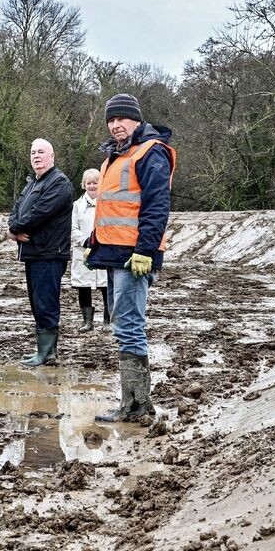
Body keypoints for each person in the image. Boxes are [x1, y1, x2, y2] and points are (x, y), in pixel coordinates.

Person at [87, 93, 174, 423]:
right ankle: (135, 402)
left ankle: (136, 405)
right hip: (113, 254)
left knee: (129, 327)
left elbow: (156, 207)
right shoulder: (113, 157)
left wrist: (145, 250)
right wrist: (92, 241)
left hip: (133, 257)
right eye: (110, 120)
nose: (115, 124)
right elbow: (114, 207)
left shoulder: (150, 153)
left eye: (121, 118)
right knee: (123, 325)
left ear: (137, 120)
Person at [7, 138, 73, 367]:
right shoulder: (32, 183)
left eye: (41, 152)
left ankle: (46, 352)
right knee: (37, 303)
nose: (36, 156)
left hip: (49, 253)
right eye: (33, 152)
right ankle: (45, 350)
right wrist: (13, 229)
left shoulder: (59, 183)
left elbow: (39, 213)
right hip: (34, 253)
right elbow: (16, 210)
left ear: (52, 156)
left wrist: (15, 228)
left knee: (46, 302)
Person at [70, 168, 109, 332]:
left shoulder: (107, 204)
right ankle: (87, 322)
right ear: (84, 185)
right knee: (83, 287)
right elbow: (72, 230)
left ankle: (108, 321)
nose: (92, 186)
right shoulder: (76, 206)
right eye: (89, 183)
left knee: (106, 286)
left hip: (104, 250)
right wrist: (86, 241)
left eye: (95, 182)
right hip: (82, 252)